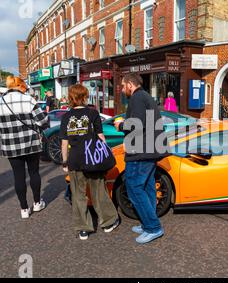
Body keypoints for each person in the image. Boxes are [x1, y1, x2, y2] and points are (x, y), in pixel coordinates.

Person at [60, 84, 120, 241]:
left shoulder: (66, 117)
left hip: (75, 160)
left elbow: (64, 143)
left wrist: (65, 162)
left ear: (71, 98)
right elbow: (101, 137)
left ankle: (83, 229)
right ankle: (108, 222)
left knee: (78, 195)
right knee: (99, 192)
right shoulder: (93, 113)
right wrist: (106, 152)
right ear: (84, 96)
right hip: (92, 158)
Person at [114, 73, 167, 245]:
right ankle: (148, 223)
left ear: (130, 84)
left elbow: (136, 125)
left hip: (140, 152)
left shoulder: (137, 98)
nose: (122, 90)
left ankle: (153, 227)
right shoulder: (146, 97)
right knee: (147, 187)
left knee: (134, 189)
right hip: (151, 150)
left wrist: (120, 124)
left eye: (123, 86)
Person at [0, 76, 49, 219]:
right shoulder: (29, 100)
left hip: (11, 145)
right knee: (34, 172)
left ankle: (24, 209)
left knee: (18, 176)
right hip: (31, 143)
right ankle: (36, 203)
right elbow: (42, 121)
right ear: (19, 85)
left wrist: (5, 134)